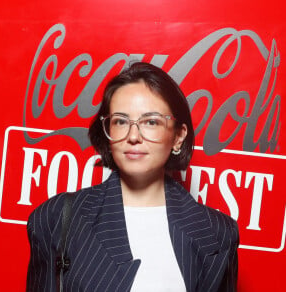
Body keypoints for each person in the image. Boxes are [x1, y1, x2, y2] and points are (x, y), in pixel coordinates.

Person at [26, 62, 239, 292]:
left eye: (151, 121)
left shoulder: (218, 233)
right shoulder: (56, 217)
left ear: (178, 136)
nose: (133, 136)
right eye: (120, 121)